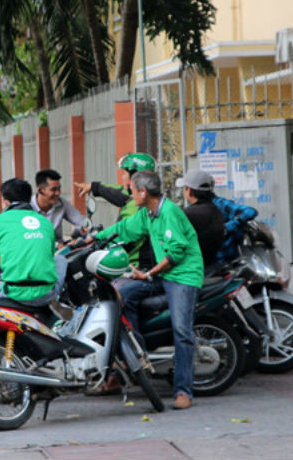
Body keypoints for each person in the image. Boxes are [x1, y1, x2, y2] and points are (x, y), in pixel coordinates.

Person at [97, 170, 203, 410]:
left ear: (143, 192)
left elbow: (175, 253)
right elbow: (124, 229)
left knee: (182, 331)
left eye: (132, 190)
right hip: (161, 273)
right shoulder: (148, 213)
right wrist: (90, 238)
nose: (130, 194)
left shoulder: (169, 213)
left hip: (182, 276)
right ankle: (138, 356)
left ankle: (183, 391)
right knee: (122, 296)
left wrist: (148, 274)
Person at [76, 152, 157, 268]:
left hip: (137, 267)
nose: (122, 177)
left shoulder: (139, 207)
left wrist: (96, 242)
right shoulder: (141, 198)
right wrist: (94, 187)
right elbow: (119, 192)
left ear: (135, 177)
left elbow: (122, 234)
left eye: (124, 173)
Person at [175, 170, 225, 267]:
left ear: (190, 191)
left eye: (184, 188)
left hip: (190, 269)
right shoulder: (216, 211)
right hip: (211, 265)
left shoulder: (187, 215)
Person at [212, 194, 259, 264]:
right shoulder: (193, 211)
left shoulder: (219, 203)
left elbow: (250, 211)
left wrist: (228, 227)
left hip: (230, 262)